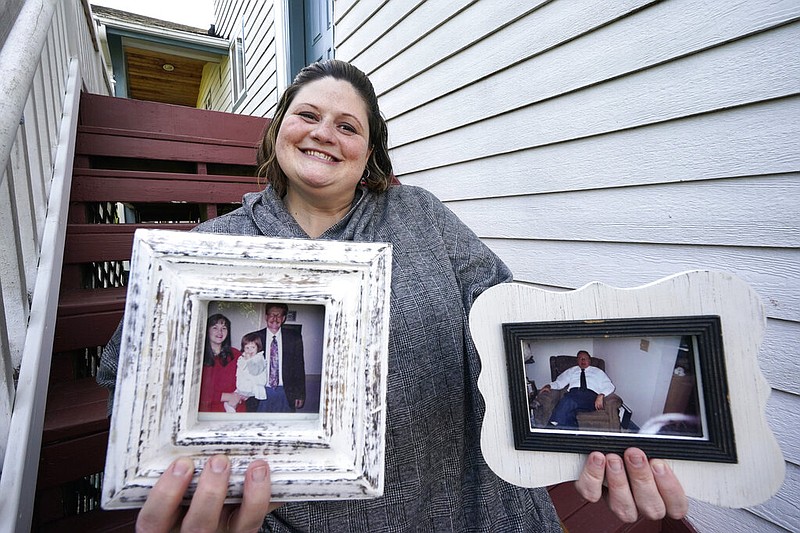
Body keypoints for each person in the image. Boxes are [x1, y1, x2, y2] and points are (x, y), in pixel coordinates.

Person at [99, 59, 687, 531]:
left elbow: (509, 317)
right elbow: (132, 377)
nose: (325, 133)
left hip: (457, 499)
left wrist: (596, 436)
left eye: (348, 126)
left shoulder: (421, 215)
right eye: (308, 115)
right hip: (281, 514)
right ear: (278, 130)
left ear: (370, 153)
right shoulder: (211, 248)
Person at [245, 303, 305, 412]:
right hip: (260, 391)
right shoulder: (254, 338)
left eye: (279, 315)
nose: (275, 318)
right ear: (266, 317)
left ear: (283, 318)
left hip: (285, 392)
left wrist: (300, 394)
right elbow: (245, 366)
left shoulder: (294, 338)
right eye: (272, 315)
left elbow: (299, 367)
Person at [540, 350, 615, 429]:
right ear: (577, 361)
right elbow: (559, 382)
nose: (582, 360)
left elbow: (610, 386)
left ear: (589, 360)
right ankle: (575, 435)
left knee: (567, 400)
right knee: (569, 414)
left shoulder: (598, 372)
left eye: (585, 358)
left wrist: (601, 395)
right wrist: (549, 386)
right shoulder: (571, 371)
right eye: (580, 358)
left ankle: (550, 426)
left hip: (590, 398)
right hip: (573, 396)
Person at [199, 313, 245, 413]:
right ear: (207, 330)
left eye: (224, 328)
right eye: (215, 328)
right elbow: (199, 392)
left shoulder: (236, 354)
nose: (220, 332)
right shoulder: (198, 357)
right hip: (209, 412)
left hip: (235, 409)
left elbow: (247, 379)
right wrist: (227, 396)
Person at [236, 332, 268, 412]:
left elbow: (254, 371)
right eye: (247, 348)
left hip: (253, 392)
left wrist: (249, 360)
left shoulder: (259, 359)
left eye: (253, 347)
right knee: (229, 403)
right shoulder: (243, 358)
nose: (250, 350)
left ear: (258, 347)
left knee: (250, 410)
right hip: (242, 389)